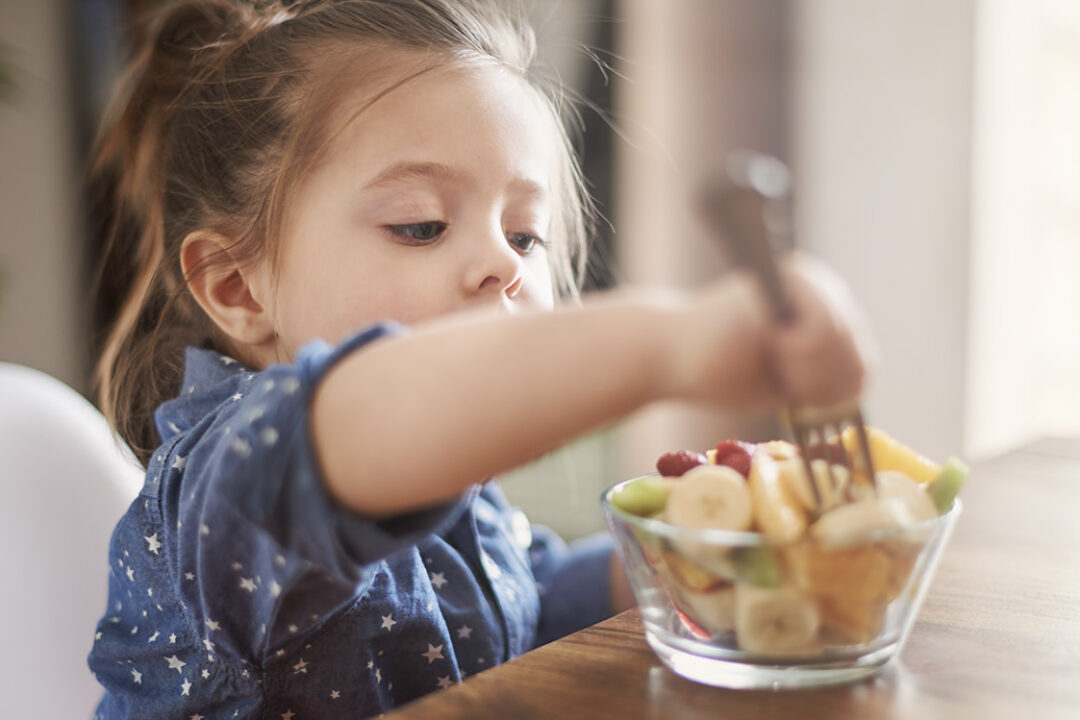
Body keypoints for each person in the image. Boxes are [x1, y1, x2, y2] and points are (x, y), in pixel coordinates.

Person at [86, 1, 870, 718]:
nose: (506, 265)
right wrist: (676, 339)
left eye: (525, 235)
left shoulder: (461, 494)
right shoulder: (228, 485)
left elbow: (530, 603)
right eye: (422, 225)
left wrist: (682, 553)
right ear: (237, 289)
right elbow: (377, 410)